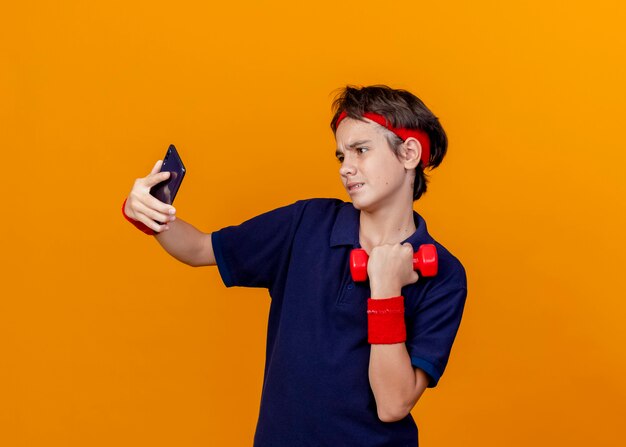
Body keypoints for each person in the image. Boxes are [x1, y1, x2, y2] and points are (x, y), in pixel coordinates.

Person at [122, 85, 468, 446]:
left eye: (361, 151)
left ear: (409, 153)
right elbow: (198, 248)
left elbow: (392, 404)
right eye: (340, 157)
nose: (346, 169)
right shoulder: (306, 224)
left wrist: (385, 291)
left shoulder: (443, 273)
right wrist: (148, 213)